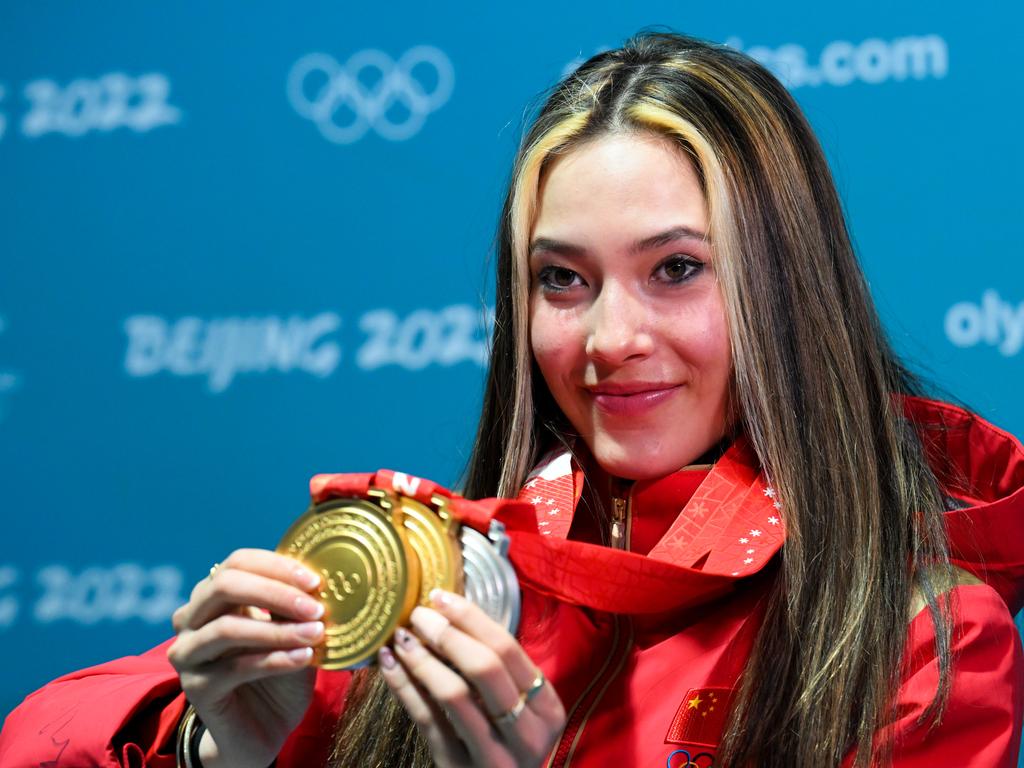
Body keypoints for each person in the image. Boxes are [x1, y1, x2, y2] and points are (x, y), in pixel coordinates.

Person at [2, 30, 1023, 768]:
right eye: (563, 280)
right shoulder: (443, 584)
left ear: (788, 288)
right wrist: (211, 749)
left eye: (675, 270)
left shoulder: (920, 643)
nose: (609, 340)